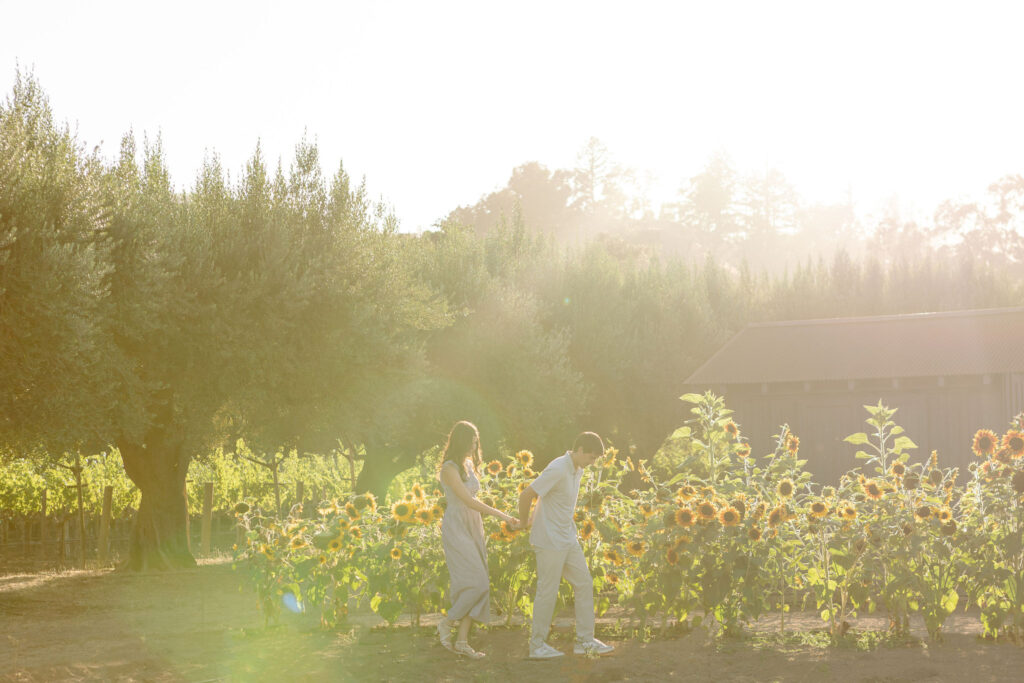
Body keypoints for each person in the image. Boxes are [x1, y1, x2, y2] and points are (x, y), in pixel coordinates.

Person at [517, 431, 615, 659]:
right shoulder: (558, 468)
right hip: (549, 540)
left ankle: (585, 641)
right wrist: (524, 523)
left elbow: (549, 500)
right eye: (591, 457)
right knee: (547, 591)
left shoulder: (577, 470)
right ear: (579, 450)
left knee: (584, 583)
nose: (592, 463)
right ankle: (537, 645)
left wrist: (532, 518)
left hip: (567, 538)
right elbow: (527, 495)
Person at [436, 420, 519, 659]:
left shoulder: (469, 465)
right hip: (457, 526)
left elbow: (474, 500)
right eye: (472, 440)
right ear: (462, 440)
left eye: (476, 440)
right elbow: (467, 500)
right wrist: (503, 515)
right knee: (476, 582)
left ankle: (462, 641)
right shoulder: (449, 469)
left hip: (473, 524)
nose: (475, 445)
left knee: (479, 581)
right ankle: (448, 622)